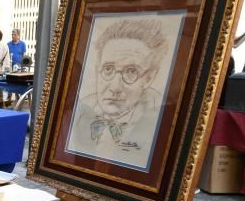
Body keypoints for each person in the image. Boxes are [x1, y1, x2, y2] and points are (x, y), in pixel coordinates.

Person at [65, 17, 169, 168]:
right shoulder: (81, 110)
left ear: (149, 78)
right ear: (97, 70)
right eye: (108, 69)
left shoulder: (161, 120)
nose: (115, 87)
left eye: (131, 71)